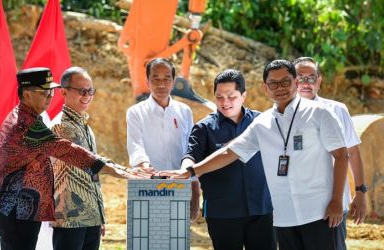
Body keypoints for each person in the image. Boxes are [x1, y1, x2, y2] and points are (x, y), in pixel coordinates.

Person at [163, 60, 349, 250]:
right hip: (284, 217)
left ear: (296, 82)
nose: (280, 88)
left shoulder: (319, 113)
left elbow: (342, 155)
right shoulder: (263, 123)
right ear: (265, 88)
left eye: (285, 82)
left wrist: (336, 200)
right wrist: (190, 171)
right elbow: (230, 152)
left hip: (318, 212)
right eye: (273, 84)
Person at [0, 67, 145, 250]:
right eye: (44, 92)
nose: (49, 96)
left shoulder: (20, 117)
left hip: (16, 207)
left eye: (51, 91)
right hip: (17, 210)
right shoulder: (25, 124)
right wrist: (116, 170)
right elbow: (66, 150)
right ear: (27, 94)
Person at [181, 69, 275, 249]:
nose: (225, 103)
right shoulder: (203, 128)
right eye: (219, 97)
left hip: (262, 209)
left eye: (231, 97)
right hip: (222, 213)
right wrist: (185, 171)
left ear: (243, 96)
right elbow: (190, 156)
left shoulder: (262, 122)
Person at [51, 67, 132, 250]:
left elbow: (92, 178)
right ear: (63, 91)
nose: (86, 95)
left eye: (90, 91)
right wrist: (127, 173)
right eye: (81, 91)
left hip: (90, 218)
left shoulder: (85, 127)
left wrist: (99, 216)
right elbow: (92, 164)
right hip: (70, 220)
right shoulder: (60, 127)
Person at [294, 56, 367, 249]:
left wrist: (360, 192)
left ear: (319, 80)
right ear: (292, 81)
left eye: (311, 77)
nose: (306, 83)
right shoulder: (282, 114)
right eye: (300, 77)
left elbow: (353, 153)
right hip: (294, 208)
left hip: (330, 208)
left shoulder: (337, 110)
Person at [126, 57, 200, 219]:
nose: (161, 84)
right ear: (147, 81)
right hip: (148, 186)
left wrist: (195, 189)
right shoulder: (135, 112)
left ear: (174, 82)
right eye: (155, 79)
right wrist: (149, 171)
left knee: (177, 240)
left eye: (167, 79)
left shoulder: (184, 111)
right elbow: (135, 146)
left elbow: (191, 150)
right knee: (149, 238)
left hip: (180, 186)